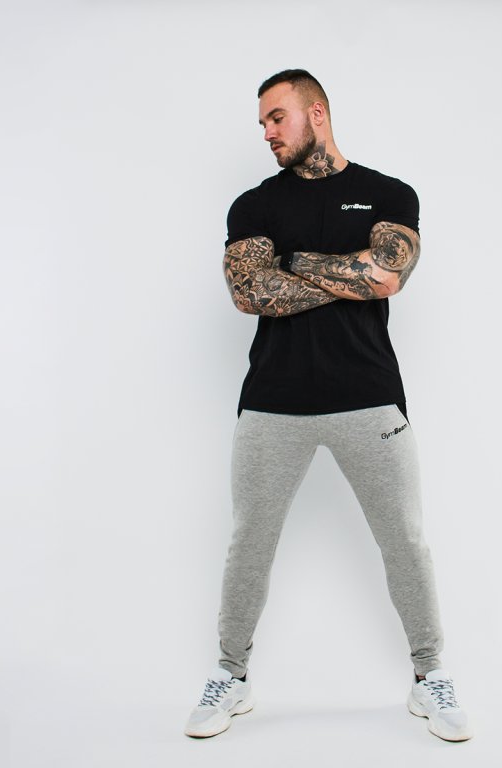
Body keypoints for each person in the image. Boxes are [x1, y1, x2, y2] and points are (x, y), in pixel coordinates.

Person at [183, 69, 473, 743]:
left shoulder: (389, 194)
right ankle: (232, 675)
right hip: (272, 402)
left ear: (316, 113)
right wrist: (348, 271)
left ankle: (429, 676)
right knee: (249, 543)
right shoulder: (253, 205)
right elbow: (248, 294)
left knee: (403, 540)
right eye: (262, 122)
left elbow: (386, 277)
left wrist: (292, 264)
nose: (267, 132)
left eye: (276, 117)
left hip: (368, 398)